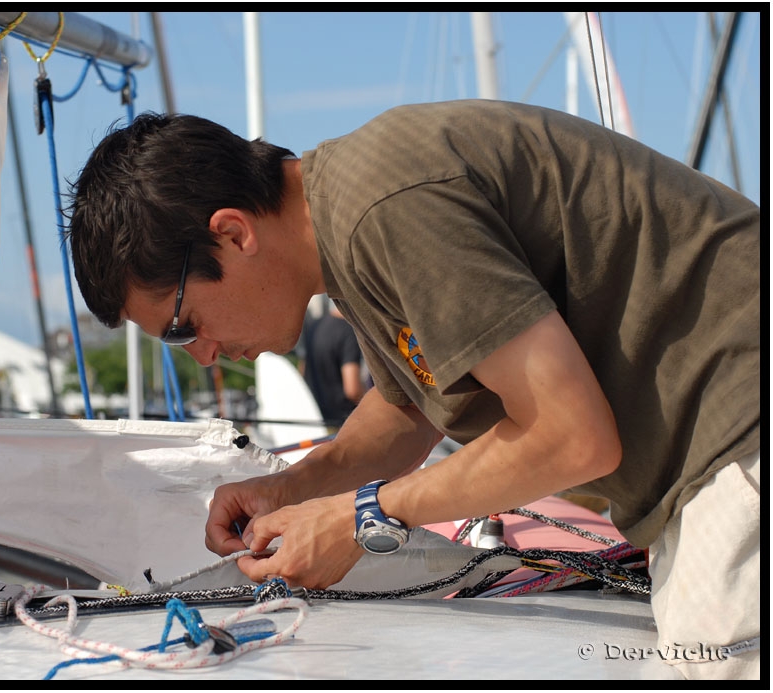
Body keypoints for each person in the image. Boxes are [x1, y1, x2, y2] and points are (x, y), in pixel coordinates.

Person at [65, 100, 760, 680]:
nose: (207, 356)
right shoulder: (347, 222)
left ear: (233, 232)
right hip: (709, 452)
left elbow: (571, 433)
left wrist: (362, 516)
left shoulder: (386, 209)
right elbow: (409, 408)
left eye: (184, 327)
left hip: (739, 419)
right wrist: (295, 489)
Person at [300, 301, 367, 429]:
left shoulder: (316, 325)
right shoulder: (349, 331)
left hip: (316, 419)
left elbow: (303, 369)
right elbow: (352, 390)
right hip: (341, 423)